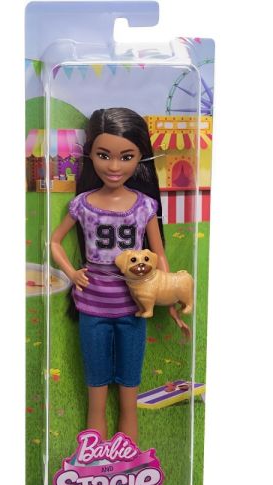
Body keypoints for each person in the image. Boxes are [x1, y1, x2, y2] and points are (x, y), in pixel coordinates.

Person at [50, 107, 190, 443]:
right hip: (92, 305)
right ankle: (94, 448)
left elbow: (159, 254)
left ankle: (129, 451)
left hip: (134, 307)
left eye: (126, 157)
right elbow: (54, 241)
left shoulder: (144, 206)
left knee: (129, 382)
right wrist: (72, 273)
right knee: (96, 381)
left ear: (141, 158)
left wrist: (170, 296)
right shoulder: (83, 204)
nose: (114, 167)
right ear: (91, 155)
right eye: (104, 155)